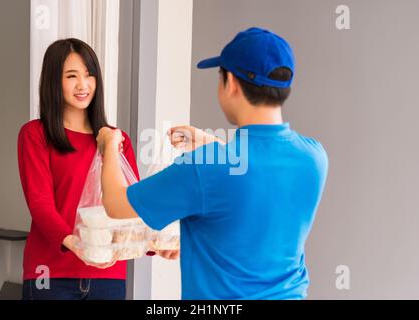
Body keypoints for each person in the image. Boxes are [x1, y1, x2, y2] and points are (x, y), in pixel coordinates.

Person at [96, 27, 329, 299]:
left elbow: (116, 204)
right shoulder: (314, 157)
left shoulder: (204, 167)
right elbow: (255, 180)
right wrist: (211, 144)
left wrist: (109, 145)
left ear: (230, 82)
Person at [17, 38, 172, 300]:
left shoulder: (116, 139)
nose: (83, 85)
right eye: (72, 76)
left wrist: (154, 244)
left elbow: (128, 208)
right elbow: (40, 204)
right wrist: (76, 245)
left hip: (107, 277)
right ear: (55, 81)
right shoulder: (35, 134)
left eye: (89, 75)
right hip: (51, 274)